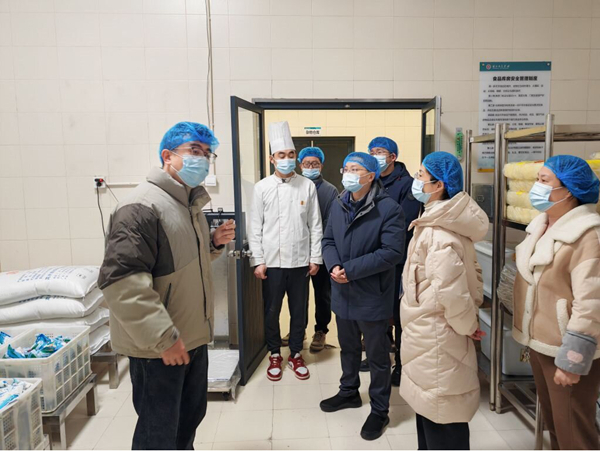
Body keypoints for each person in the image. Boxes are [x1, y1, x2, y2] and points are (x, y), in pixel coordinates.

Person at [98, 122, 236, 450]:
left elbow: (178, 263)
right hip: (159, 347)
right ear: (167, 156)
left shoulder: (188, 205)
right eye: (194, 151)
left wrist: (213, 243)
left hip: (191, 336)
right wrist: (164, 338)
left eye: (207, 153)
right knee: (158, 434)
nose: (203, 159)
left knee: (187, 421)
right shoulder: (141, 207)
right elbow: (122, 281)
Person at [400, 151, 488, 450]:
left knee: (442, 414)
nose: (416, 180)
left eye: (421, 175)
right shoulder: (435, 222)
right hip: (428, 331)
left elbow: (452, 292)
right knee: (430, 408)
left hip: (438, 336)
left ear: (438, 185)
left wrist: (467, 326)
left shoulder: (439, 234)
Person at [512, 155, 600, 450]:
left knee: (575, 432)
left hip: (567, 349)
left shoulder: (587, 235)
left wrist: (573, 361)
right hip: (543, 343)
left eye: (544, 180)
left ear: (569, 190)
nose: (535, 186)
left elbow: (591, 304)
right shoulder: (542, 225)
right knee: (557, 425)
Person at [320, 152, 405, 441]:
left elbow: (391, 252)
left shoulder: (389, 209)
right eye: (346, 168)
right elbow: (328, 240)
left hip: (372, 293)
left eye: (355, 169)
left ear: (371, 175)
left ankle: (380, 409)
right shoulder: (338, 203)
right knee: (348, 347)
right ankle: (349, 392)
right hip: (342, 290)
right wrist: (334, 266)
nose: (348, 173)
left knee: (377, 355)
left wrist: (352, 270)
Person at [248, 121, 323, 382]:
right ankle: (274, 353)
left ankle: (295, 353)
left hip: (301, 261)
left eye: (291, 154)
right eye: (282, 155)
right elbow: (255, 227)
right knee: (271, 310)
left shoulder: (307, 186)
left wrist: (315, 257)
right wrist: (258, 260)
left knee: (299, 311)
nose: (287, 159)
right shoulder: (261, 188)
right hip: (271, 262)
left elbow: (315, 224)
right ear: (272, 159)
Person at [361, 137, 421, 385]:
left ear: (392, 157)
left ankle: (402, 364)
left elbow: (403, 221)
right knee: (378, 310)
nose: (375, 155)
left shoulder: (407, 184)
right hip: (373, 259)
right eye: (372, 151)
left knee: (398, 312)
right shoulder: (370, 181)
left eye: (380, 152)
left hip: (397, 259)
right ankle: (379, 355)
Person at [297, 146, 338, 352]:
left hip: (321, 251)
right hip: (297, 251)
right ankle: (298, 330)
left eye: (315, 164)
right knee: (298, 294)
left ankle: (321, 330)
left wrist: (318, 251)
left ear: (321, 166)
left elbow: (330, 223)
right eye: (307, 163)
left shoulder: (330, 191)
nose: (310, 167)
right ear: (300, 165)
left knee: (322, 294)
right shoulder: (294, 187)